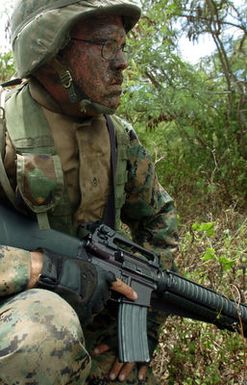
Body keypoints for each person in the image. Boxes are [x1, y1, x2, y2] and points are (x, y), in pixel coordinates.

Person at [0, 1, 179, 384]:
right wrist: (42, 269)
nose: (121, 63)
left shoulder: (119, 137)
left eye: (122, 45)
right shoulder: (5, 129)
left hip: (97, 317)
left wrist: (142, 326)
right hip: (18, 317)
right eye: (104, 44)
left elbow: (160, 222)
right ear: (50, 50)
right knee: (42, 336)